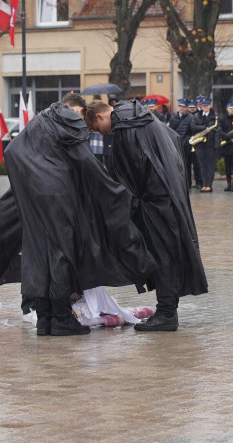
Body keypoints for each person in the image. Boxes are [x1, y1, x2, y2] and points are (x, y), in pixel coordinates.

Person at [0, 93, 154, 336]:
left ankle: (45, 320)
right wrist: (114, 191)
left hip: (32, 197)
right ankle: (61, 318)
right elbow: (86, 162)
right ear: (80, 111)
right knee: (62, 254)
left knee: (37, 255)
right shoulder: (71, 120)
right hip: (58, 197)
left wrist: (28, 182)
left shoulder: (40, 120)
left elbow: (12, 151)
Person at [86, 99, 209, 331]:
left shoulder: (125, 127)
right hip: (167, 195)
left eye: (96, 128)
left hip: (153, 202)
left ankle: (166, 314)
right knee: (168, 253)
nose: (100, 134)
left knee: (163, 257)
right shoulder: (143, 116)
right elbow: (173, 142)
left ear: (100, 116)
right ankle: (167, 311)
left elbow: (129, 172)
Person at [191, 95, 217, 192]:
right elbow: (193, 126)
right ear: (201, 106)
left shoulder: (214, 116)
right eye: (203, 106)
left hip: (210, 144)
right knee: (202, 165)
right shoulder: (197, 116)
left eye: (207, 105)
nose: (205, 107)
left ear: (210, 106)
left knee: (210, 165)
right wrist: (204, 128)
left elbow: (215, 129)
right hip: (200, 144)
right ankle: (204, 184)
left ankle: (209, 185)